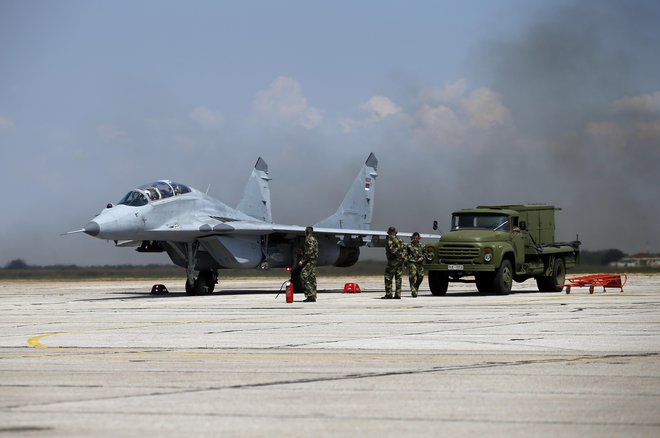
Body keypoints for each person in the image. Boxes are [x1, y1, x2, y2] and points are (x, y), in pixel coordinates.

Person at [383, 226, 405, 299]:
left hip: (393, 261)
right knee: (398, 278)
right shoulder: (400, 240)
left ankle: (389, 294)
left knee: (388, 277)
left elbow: (392, 251)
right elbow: (404, 250)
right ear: (396, 232)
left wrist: (397, 255)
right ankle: (398, 294)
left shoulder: (389, 240)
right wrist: (401, 257)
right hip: (400, 261)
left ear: (389, 232)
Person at [299, 226, 318, 302]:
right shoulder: (314, 239)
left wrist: (302, 261)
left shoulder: (309, 239)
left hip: (309, 261)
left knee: (303, 275)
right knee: (312, 278)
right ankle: (313, 296)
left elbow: (309, 252)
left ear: (306, 231)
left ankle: (310, 295)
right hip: (313, 260)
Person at [406, 232, 425, 297]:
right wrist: (406, 263)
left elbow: (425, 254)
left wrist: (422, 258)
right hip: (412, 262)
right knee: (412, 276)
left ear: (419, 238)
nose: (415, 239)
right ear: (412, 238)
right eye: (414, 238)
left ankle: (416, 287)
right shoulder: (409, 246)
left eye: (417, 238)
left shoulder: (422, 246)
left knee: (421, 276)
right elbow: (406, 254)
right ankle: (413, 290)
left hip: (420, 263)